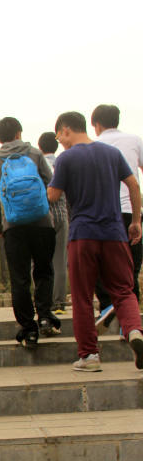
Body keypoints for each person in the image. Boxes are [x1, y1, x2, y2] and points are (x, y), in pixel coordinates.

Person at [48, 111, 143, 372]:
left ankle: (89, 356)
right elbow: (134, 185)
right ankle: (134, 330)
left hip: (83, 235)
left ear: (66, 130)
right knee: (124, 291)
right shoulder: (112, 154)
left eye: (60, 137)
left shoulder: (66, 158)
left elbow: (54, 196)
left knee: (81, 296)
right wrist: (135, 222)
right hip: (114, 233)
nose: (61, 143)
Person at [0, 116, 59, 348]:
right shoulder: (35, 155)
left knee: (19, 279)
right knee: (44, 271)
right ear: (19, 133)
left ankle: (29, 329)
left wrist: (0, 227)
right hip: (42, 223)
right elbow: (51, 183)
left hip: (13, 228)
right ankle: (46, 316)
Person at [90, 104, 143, 330]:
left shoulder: (92, 146)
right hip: (132, 211)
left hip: (103, 214)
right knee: (131, 265)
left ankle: (106, 306)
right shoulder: (135, 140)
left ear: (97, 124)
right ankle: (131, 319)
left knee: (101, 264)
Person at [38, 132, 69, 314]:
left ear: (40, 147)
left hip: (42, 218)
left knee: (41, 262)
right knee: (60, 262)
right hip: (61, 216)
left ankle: (44, 302)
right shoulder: (61, 163)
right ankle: (59, 303)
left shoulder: (36, 163)